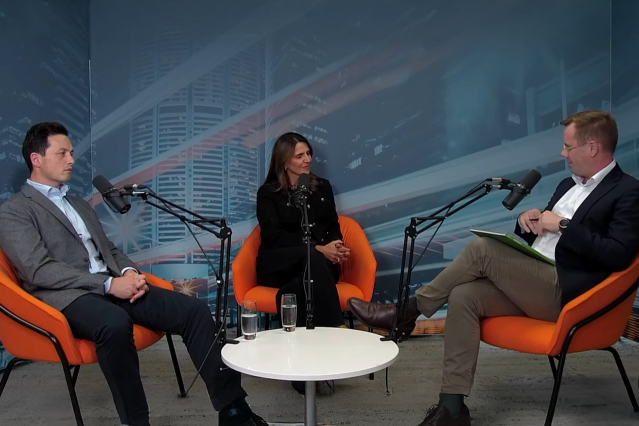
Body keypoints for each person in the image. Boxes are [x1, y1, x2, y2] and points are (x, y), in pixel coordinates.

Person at [347, 110, 639, 426]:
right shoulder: (566, 184)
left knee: (483, 249)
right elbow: (546, 238)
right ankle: (452, 409)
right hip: (535, 282)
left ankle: (406, 311)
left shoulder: (627, 191)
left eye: (568, 146)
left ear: (592, 147)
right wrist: (528, 224)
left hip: (567, 295)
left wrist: (564, 225)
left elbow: (618, 254)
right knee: (464, 296)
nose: (562, 153)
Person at [0, 122, 268, 426]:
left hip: (114, 285)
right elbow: (39, 269)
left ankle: (233, 410)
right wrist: (108, 284)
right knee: (114, 323)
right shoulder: (15, 211)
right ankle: (136, 422)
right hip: (69, 297)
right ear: (36, 159)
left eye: (71, 153)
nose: (71, 160)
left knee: (193, 311)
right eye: (62, 153)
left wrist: (130, 273)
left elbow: (109, 249)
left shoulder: (78, 204)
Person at [256, 132, 351, 331]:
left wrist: (336, 244)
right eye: (299, 156)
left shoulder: (322, 187)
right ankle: (337, 327)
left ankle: (297, 337)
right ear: (284, 162)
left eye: (308, 153)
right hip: (279, 263)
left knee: (298, 285)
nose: (307, 159)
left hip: (318, 265)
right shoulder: (268, 193)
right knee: (311, 256)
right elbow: (274, 237)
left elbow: (332, 224)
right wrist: (319, 249)